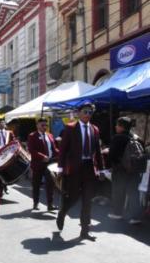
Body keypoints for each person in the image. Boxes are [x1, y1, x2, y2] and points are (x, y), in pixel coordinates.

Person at [56, 102, 106, 241]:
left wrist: (101, 170)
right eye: (85, 111)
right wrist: (60, 168)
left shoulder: (95, 129)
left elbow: (98, 152)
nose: (88, 115)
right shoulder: (71, 128)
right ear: (79, 113)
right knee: (72, 197)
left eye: (90, 112)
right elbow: (63, 150)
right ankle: (62, 212)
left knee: (87, 200)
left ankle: (85, 231)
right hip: (74, 169)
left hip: (89, 168)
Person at [108, 117, 146, 224]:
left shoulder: (117, 138)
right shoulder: (136, 138)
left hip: (121, 171)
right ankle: (136, 217)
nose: (116, 127)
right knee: (134, 194)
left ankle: (117, 214)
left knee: (118, 192)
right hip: (134, 171)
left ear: (121, 126)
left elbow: (112, 156)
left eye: (117, 125)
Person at [27, 118, 58, 211]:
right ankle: (35, 203)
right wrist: (42, 156)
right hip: (38, 164)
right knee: (36, 184)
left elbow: (54, 149)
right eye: (42, 125)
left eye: (46, 125)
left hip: (50, 164)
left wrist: (62, 153)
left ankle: (50, 205)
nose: (45, 127)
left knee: (50, 184)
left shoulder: (50, 135)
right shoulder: (32, 135)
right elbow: (31, 150)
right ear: (37, 125)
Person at [0, 118, 14, 198]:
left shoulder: (9, 133)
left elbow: (13, 142)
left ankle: (5, 186)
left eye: (2, 122)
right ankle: (0, 190)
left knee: (7, 171)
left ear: (5, 124)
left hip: (8, 154)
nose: (1, 124)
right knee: (0, 172)